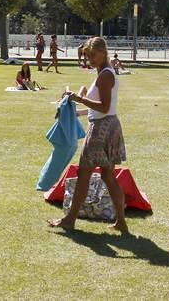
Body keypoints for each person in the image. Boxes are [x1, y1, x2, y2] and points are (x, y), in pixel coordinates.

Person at [48, 37, 128, 233]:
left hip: (102, 129)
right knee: (108, 175)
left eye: (92, 55)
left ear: (103, 52)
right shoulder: (103, 73)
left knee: (85, 174)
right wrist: (77, 112)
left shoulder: (105, 75)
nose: (90, 59)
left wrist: (79, 98)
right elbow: (102, 109)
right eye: (87, 56)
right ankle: (121, 222)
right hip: (108, 124)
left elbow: (104, 107)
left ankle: (69, 220)